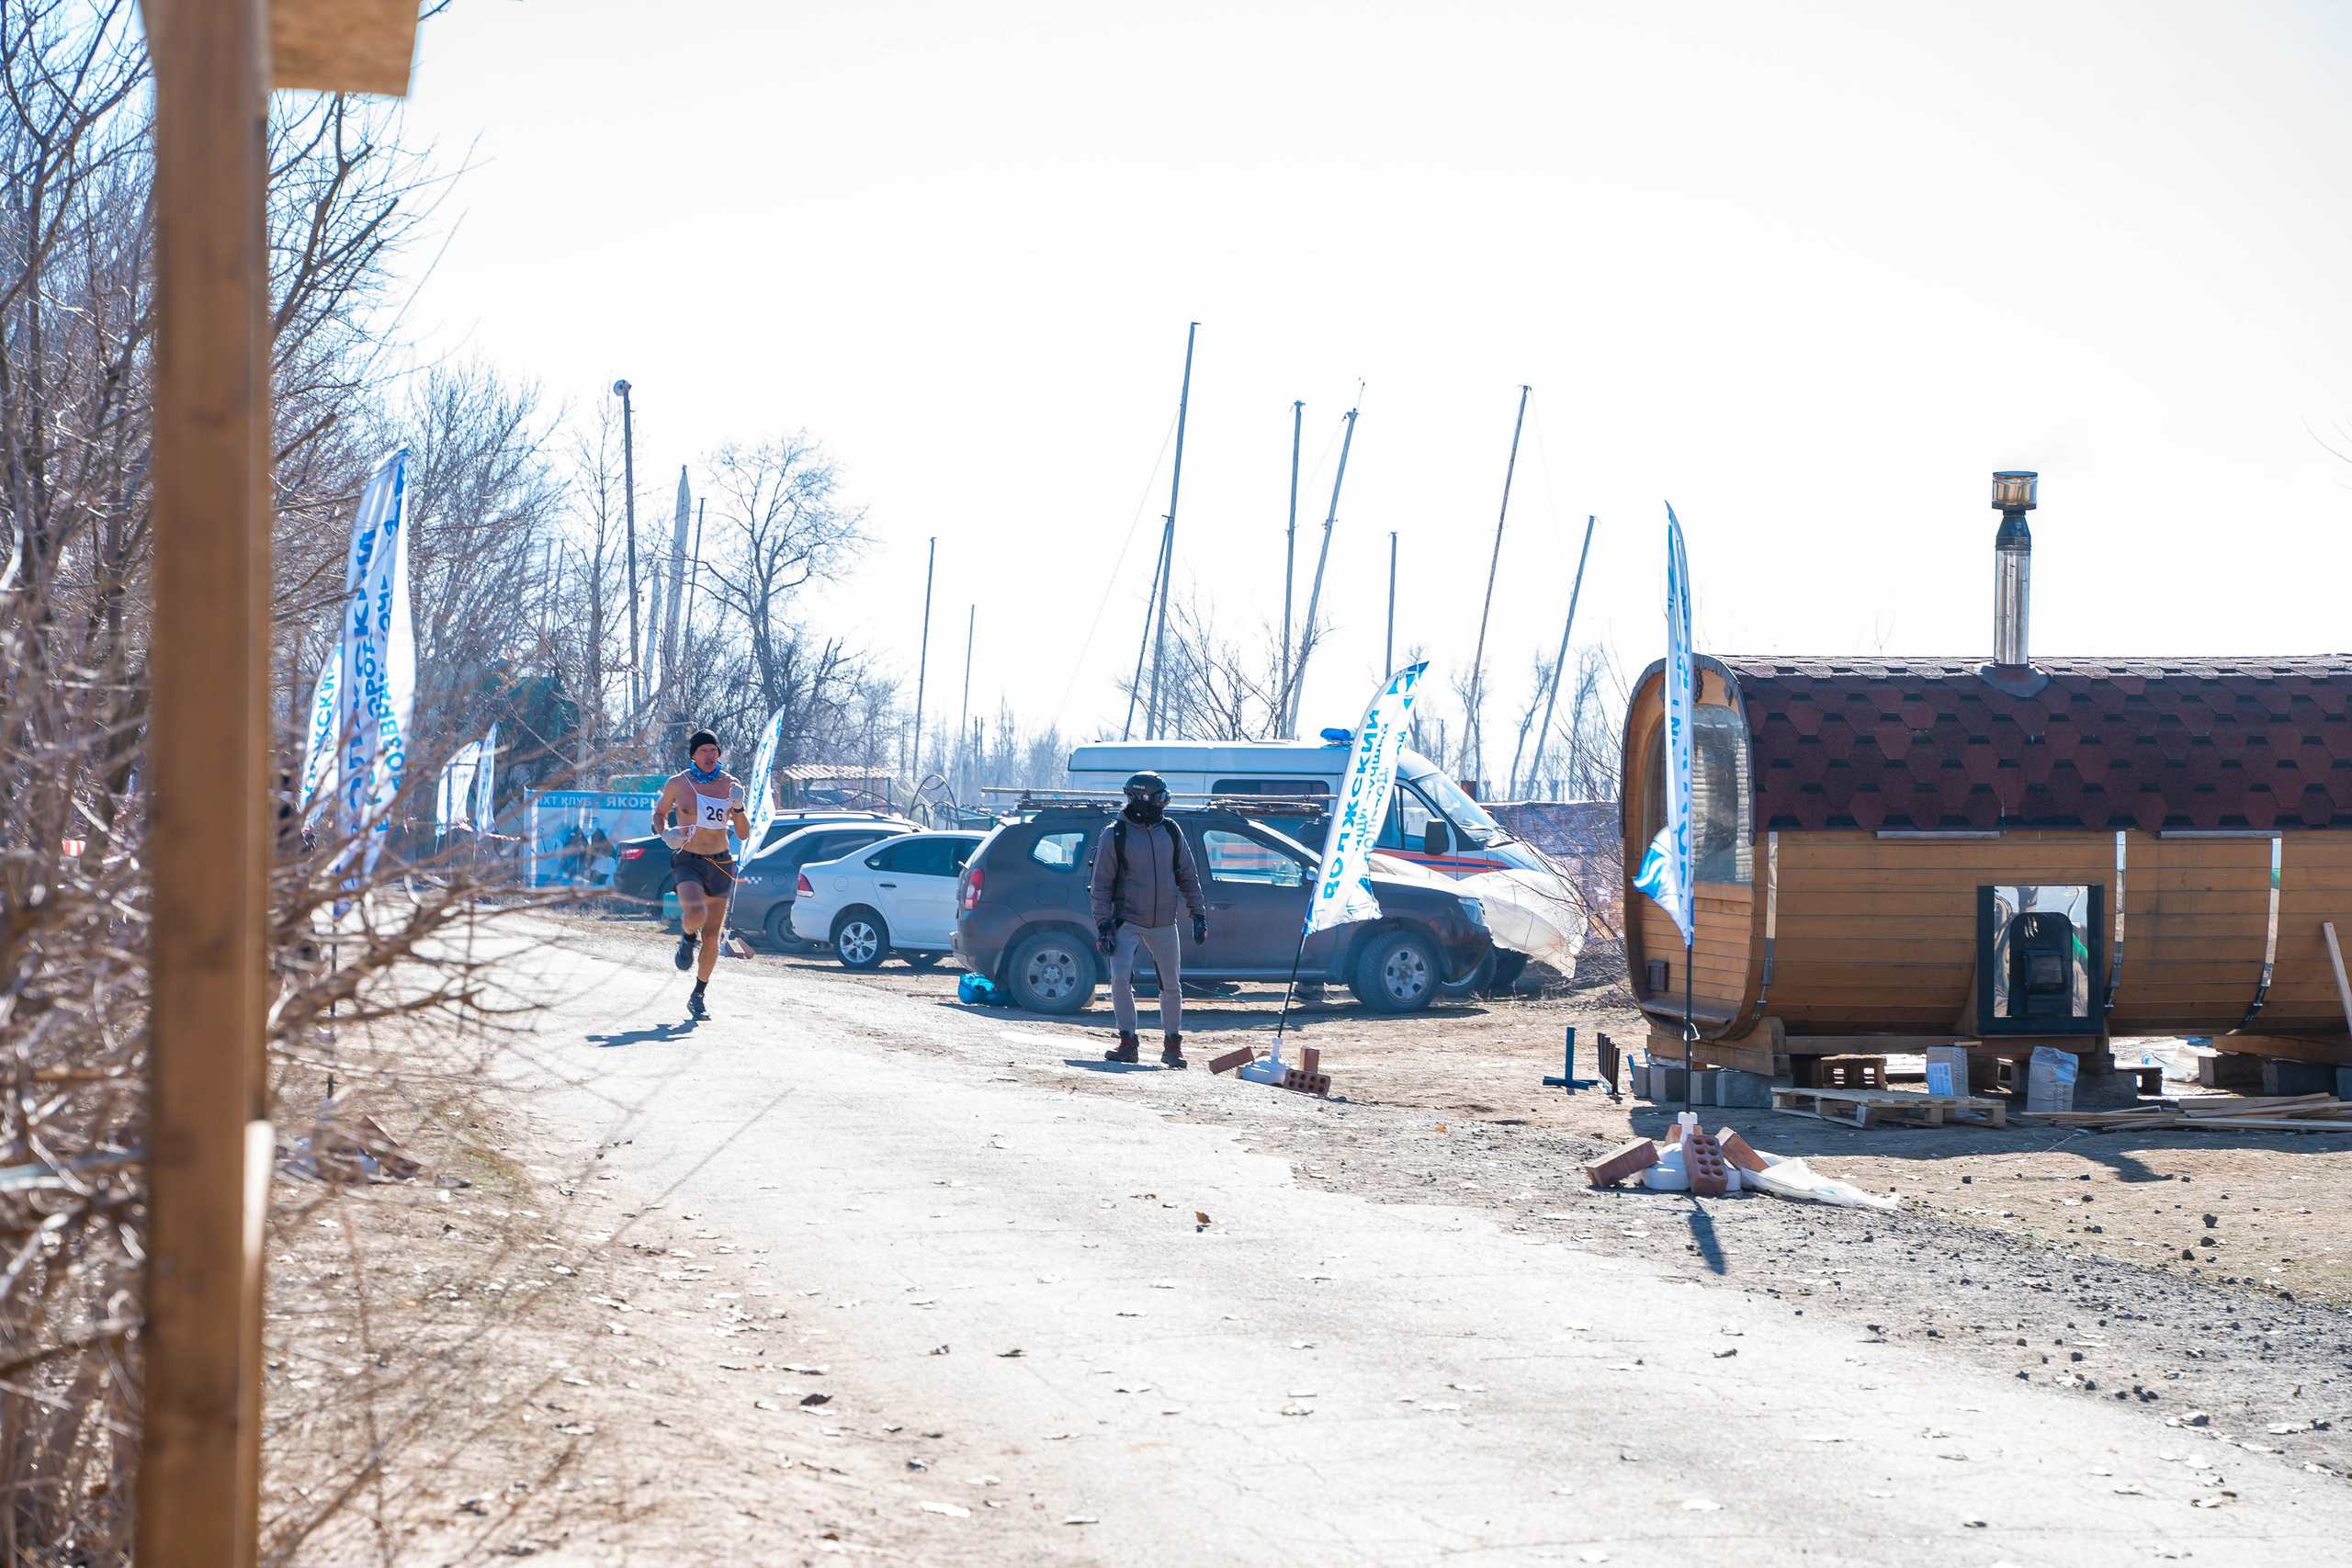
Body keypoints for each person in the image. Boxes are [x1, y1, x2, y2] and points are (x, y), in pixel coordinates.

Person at [1087, 772, 1208, 1066]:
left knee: (1171, 984)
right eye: (1159, 798)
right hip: (1126, 921)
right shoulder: (1115, 834)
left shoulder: (1171, 831)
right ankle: (1128, 1042)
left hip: (1164, 921)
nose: (1163, 803)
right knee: (1119, 977)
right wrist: (1103, 925)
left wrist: (1198, 913)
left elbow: (1187, 876)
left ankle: (1173, 1045)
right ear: (1141, 799)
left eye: (1165, 797)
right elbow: (1101, 884)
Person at [650, 729, 752, 1019]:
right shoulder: (677, 783)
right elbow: (659, 814)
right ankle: (686, 936)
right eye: (704, 751)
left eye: (714, 751)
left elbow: (743, 834)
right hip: (688, 859)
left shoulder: (730, 785)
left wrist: (739, 807)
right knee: (695, 915)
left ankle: (698, 995)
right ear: (693, 755)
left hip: (720, 862)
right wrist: (665, 832)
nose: (710, 756)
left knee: (712, 936)